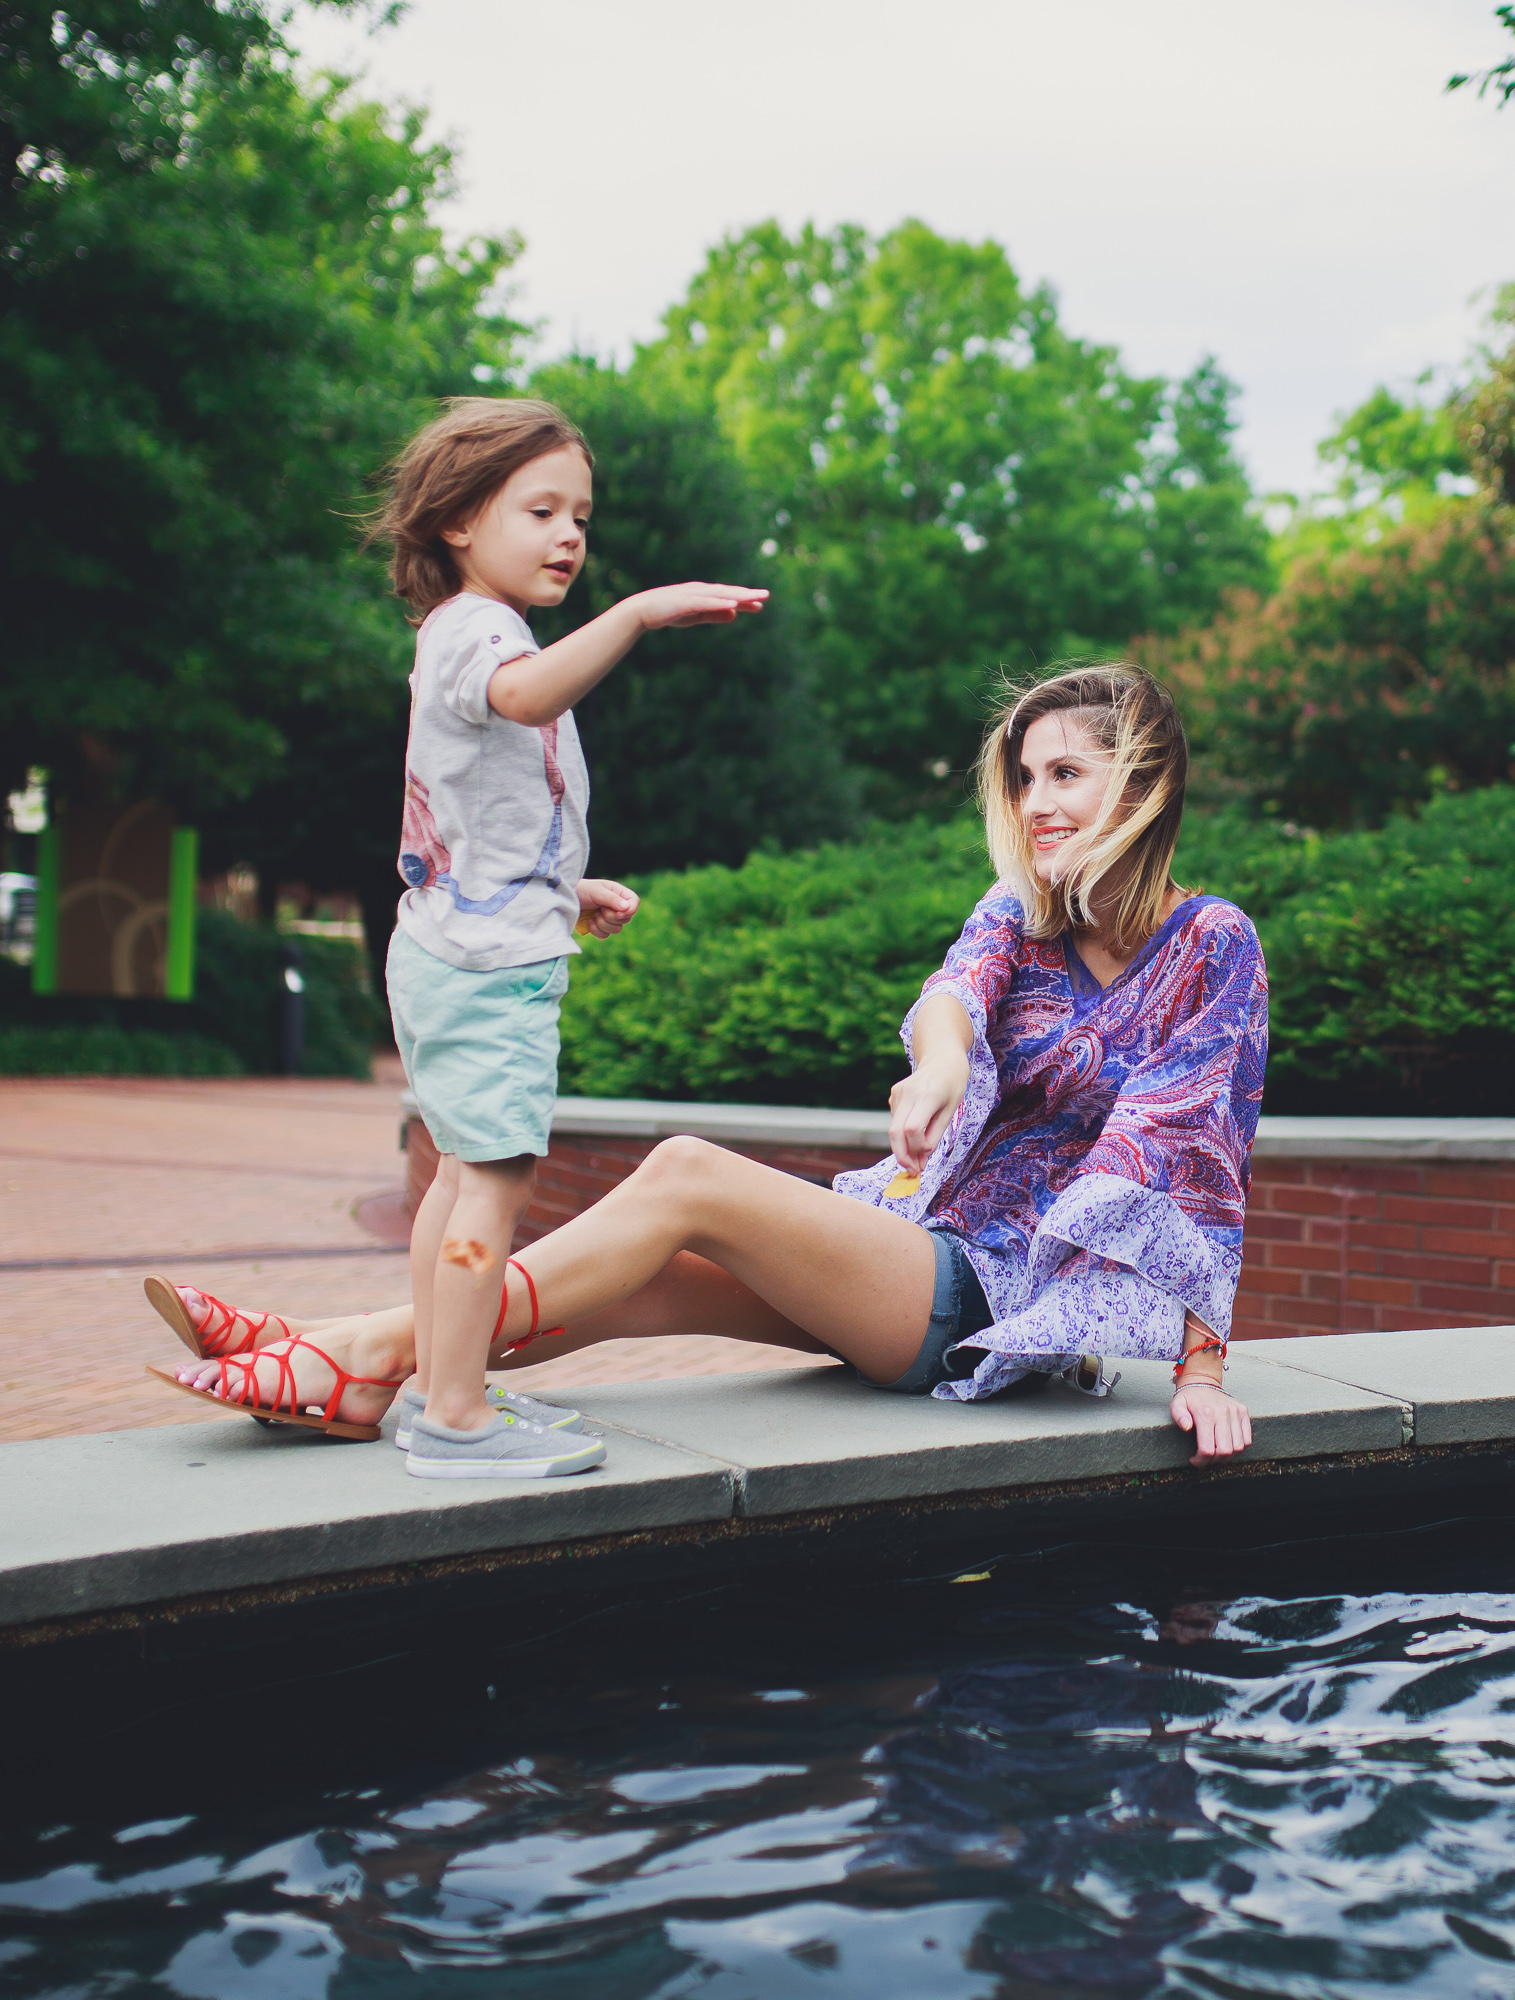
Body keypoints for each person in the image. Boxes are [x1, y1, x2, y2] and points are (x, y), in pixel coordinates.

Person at [160, 663, 1264, 1467]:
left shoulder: (1213, 945)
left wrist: (1201, 1373)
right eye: (1025, 777)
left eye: (1065, 771)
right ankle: (349, 1355)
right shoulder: (1022, 909)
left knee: (686, 1170)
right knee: (641, 1280)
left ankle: (333, 1353)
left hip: (997, 1294)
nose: (1035, 803)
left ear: (1145, 778)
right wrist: (935, 1069)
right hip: (915, 1247)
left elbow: (1201, 1163)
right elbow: (953, 997)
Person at [152, 396, 769, 1480]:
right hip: (484, 975)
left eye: (581, 514)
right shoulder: (484, 634)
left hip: (463, 946)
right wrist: (634, 614)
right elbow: (526, 698)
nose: (570, 534)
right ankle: (453, 1419)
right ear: (457, 523)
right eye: (541, 509)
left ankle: (452, 1390)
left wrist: (566, 886)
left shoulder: (466, 632)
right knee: (487, 1191)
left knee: (451, 1187)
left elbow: (478, 814)